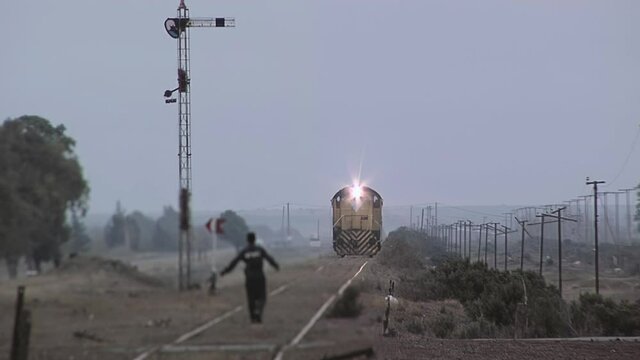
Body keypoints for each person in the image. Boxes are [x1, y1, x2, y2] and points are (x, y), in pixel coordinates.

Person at [220, 232, 280, 323]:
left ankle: (253, 317)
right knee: (262, 297)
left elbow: (234, 262)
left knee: (251, 297)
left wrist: (225, 271)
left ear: (247, 240)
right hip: (260, 276)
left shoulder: (245, 251)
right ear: (255, 239)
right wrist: (275, 266)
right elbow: (269, 258)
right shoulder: (260, 250)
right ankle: (258, 311)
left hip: (250, 277)